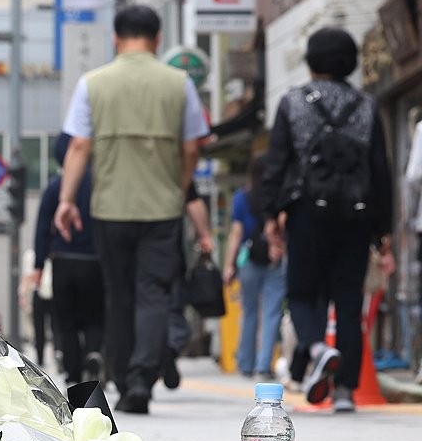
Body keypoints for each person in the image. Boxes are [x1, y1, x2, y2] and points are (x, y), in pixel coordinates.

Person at [55, 5, 209, 414]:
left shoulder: (94, 83)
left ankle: (124, 380)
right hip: (162, 209)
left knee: (119, 296)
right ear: (157, 39)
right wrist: (176, 185)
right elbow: (193, 145)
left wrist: (67, 201)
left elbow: (79, 146)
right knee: (153, 292)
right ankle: (142, 376)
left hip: (110, 208)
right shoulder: (179, 84)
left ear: (116, 38)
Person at [260, 27, 394, 413]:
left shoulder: (293, 103)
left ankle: (318, 348)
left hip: (306, 214)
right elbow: (379, 170)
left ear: (310, 61)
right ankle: (345, 393)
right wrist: (382, 229)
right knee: (348, 303)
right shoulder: (367, 106)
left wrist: (271, 214)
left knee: (302, 292)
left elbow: (277, 164)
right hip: (356, 216)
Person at [34, 132, 105, 385]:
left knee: (66, 320)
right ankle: (94, 352)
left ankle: (74, 371)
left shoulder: (56, 187)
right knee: (96, 316)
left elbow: (43, 228)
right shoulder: (100, 184)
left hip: (63, 260)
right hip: (96, 261)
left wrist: (39, 265)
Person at [223, 155, 286, 380]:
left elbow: (237, 233)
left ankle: (246, 363)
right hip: (275, 260)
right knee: (271, 313)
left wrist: (229, 265)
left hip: (249, 259)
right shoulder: (279, 197)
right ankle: (263, 366)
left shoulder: (242, 197)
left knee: (249, 313)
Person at [164, 181, 215, 389]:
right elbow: (193, 201)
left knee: (138, 310)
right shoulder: (173, 163)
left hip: (127, 256)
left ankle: (139, 371)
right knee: (175, 313)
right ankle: (168, 349)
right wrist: (204, 234)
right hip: (168, 255)